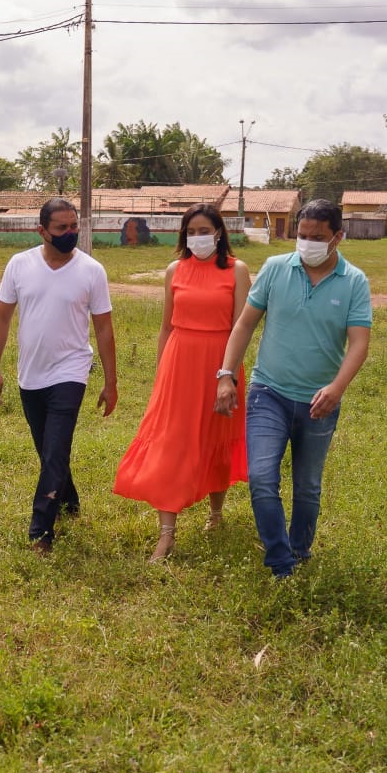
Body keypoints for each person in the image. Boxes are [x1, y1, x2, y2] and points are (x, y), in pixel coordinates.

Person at [216, 198, 372, 578]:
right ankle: (281, 562)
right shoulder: (274, 269)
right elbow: (245, 324)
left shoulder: (353, 282)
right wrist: (226, 374)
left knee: (307, 487)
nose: (307, 244)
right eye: (301, 236)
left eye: (317, 237)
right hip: (269, 392)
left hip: (320, 402)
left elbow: (359, 343)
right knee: (263, 480)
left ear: (338, 237)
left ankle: (300, 550)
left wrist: (336, 388)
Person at [113, 203, 250, 561]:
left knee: (216, 436)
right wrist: (162, 373)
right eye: (191, 232)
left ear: (219, 233)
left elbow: (241, 327)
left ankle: (216, 513)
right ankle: (166, 535)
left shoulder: (237, 271)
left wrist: (229, 375)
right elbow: (166, 327)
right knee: (171, 444)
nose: (198, 238)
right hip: (179, 363)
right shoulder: (174, 270)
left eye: (204, 231)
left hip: (220, 364)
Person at [0, 198, 118, 554]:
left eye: (74, 226)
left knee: (56, 448)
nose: (70, 234)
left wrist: (111, 381)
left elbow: (104, 329)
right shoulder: (19, 265)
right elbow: (2, 318)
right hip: (31, 374)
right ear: (42, 231)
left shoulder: (92, 271)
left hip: (71, 371)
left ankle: (40, 531)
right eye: (62, 228)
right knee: (48, 450)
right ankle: (69, 499)